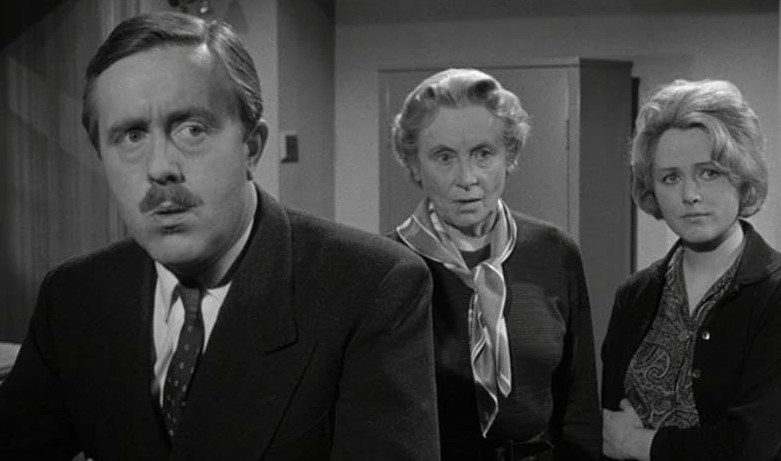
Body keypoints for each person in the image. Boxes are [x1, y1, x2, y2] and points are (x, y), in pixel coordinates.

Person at [0, 11, 440, 460]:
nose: (160, 168)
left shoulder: (371, 287)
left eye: (191, 129)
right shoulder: (73, 295)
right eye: (131, 136)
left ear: (251, 146)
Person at [390, 68, 601, 460]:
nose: (467, 178)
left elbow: (580, 400)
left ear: (510, 156)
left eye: (483, 154)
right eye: (444, 157)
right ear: (414, 164)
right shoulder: (389, 268)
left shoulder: (554, 251)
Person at [602, 79, 781, 461]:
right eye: (671, 177)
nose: (690, 195)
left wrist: (638, 444)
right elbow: (609, 423)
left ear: (742, 176)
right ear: (652, 188)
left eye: (709, 173)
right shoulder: (634, 295)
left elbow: (750, 445)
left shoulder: (774, 294)